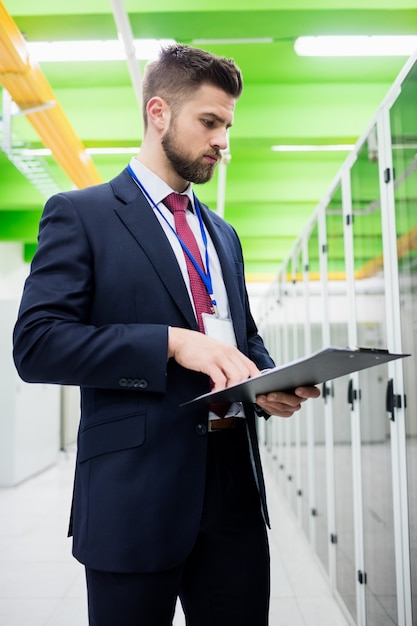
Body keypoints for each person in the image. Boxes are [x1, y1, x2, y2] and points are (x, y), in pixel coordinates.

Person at [13, 44, 320, 626]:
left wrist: (269, 381)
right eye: (209, 122)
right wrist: (171, 342)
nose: (222, 140)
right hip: (136, 493)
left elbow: (243, 338)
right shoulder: (83, 214)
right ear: (159, 113)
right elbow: (37, 344)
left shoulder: (223, 234)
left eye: (226, 125)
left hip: (234, 487)